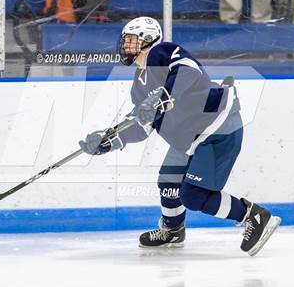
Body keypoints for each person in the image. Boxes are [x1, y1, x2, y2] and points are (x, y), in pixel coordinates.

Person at [78, 17, 281, 256]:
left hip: (217, 128)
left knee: (193, 196)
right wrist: (109, 141)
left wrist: (164, 95)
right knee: (168, 181)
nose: (125, 46)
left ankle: (253, 216)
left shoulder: (161, 52)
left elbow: (188, 70)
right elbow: (142, 126)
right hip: (193, 138)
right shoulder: (139, 83)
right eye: (125, 41)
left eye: (131, 40)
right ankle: (173, 230)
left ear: (148, 40)